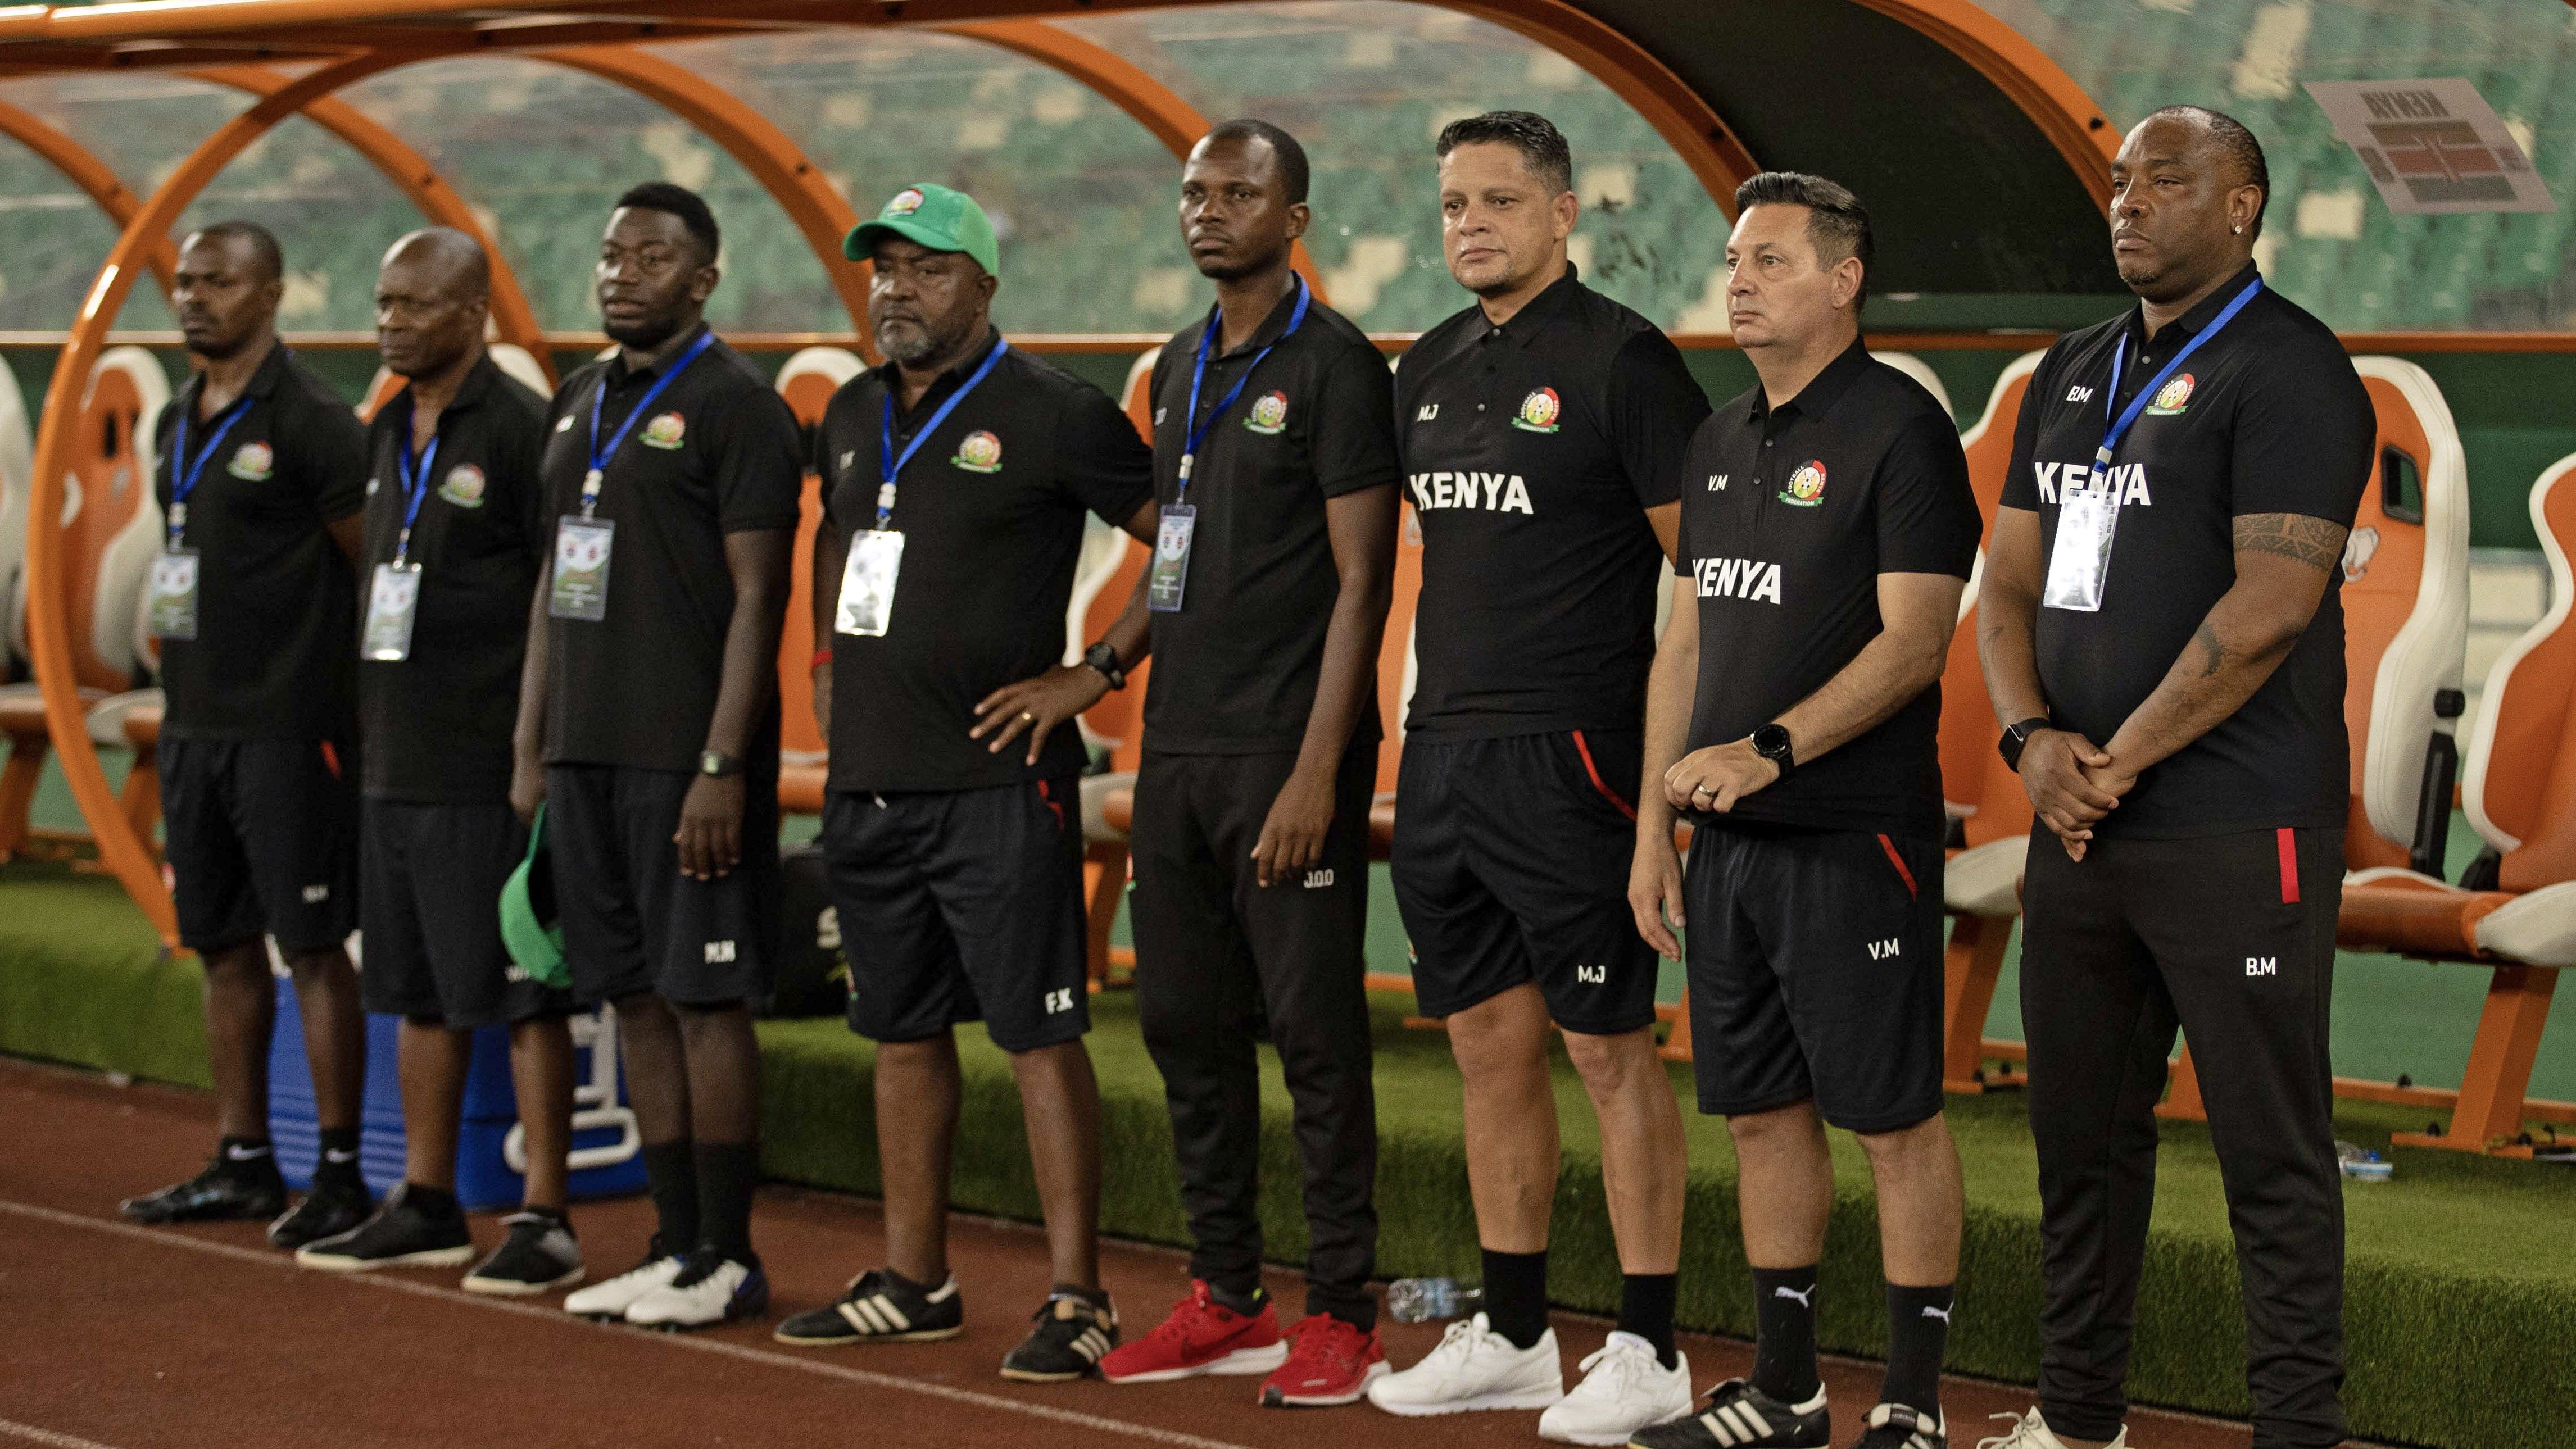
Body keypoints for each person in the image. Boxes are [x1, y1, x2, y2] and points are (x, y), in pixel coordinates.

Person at [1974, 107, 2371, 1449]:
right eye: (2119, 180)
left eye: (2167, 179)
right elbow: (2010, 585)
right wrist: (2033, 747)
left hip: (2232, 821)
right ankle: (2080, 1418)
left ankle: (2294, 1434)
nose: (2129, 201)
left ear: (2245, 205)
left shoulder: (2296, 372)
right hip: (2077, 828)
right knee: (2079, 1147)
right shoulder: (2067, 372)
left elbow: (2269, 607)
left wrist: (2114, 762)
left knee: (2270, 1153)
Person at [767, 184, 1153, 1382]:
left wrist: (1090, 674)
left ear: (984, 285)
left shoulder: (1054, 412)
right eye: (883, 270)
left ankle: (1081, 1296)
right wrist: (831, 658)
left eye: (926, 270)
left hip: (1000, 783)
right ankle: (913, 1280)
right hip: (872, 782)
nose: (897, 291)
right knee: (899, 1032)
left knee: (1040, 1038)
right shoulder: (846, 412)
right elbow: (839, 536)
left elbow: (1187, 542)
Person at [1367, 111, 1709, 1445]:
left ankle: (1651, 1349)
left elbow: (1702, 586)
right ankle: (1513, 1332)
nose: (1471, 225)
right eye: (1454, 203)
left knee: (1609, 1052)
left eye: (1500, 201)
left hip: (1575, 756)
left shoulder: (1627, 363)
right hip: (1446, 753)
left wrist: (1663, 785)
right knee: (1484, 1045)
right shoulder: (1430, 366)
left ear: (1565, 214)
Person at [1627, 174, 1979, 1449]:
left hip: (1854, 836)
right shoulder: (1717, 441)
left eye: (1771, 259)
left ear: (1843, 282)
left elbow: (1918, 643)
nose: (1740, 279)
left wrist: (1771, 752)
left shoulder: (1902, 428)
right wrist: (1649, 834)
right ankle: (1787, 1393)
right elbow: (1681, 649)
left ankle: (1914, 1405)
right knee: (1763, 1114)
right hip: (1721, 847)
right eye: (1735, 258)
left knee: (1890, 1117)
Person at [1085, 120, 1400, 1409]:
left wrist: (1320, 772)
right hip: (1182, 752)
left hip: (1288, 753)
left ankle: (1346, 1311)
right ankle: (1228, 1295)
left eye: (1240, 192)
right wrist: (1103, 667)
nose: (1210, 212)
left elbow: (1363, 579)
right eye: (1195, 193)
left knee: (1317, 1042)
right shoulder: (1177, 364)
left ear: (1298, 214)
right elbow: (1182, 557)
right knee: (1181, 1027)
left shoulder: (1333, 367)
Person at [517, 182, 802, 1330]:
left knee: (703, 1001)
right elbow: (552, 582)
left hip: (684, 763)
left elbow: (758, 597)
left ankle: (730, 1255)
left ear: (703, 279)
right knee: (632, 996)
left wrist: (722, 765)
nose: (623, 271)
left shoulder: (740, 406)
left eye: (652, 256)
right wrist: (532, 744)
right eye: (610, 252)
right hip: (581, 758)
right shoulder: (579, 396)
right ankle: (674, 1244)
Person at [292, 229, 582, 1295]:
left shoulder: (519, 429)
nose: (391, 323)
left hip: (486, 762)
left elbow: (560, 588)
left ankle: (545, 1213)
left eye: (414, 306)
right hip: (394, 758)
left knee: (521, 995)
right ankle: (426, 1200)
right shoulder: (384, 429)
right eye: (383, 303)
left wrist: (530, 749)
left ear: (473, 313)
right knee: (412, 992)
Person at [119, 221, 375, 1251]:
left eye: (219, 282)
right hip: (195, 726)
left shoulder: (315, 421)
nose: (195, 298)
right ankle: (243, 1159)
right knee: (221, 945)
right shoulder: (178, 418)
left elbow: (371, 570)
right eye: (185, 282)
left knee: (310, 948)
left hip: (292, 730)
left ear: (272, 294)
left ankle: (343, 1171)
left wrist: (355, 709)